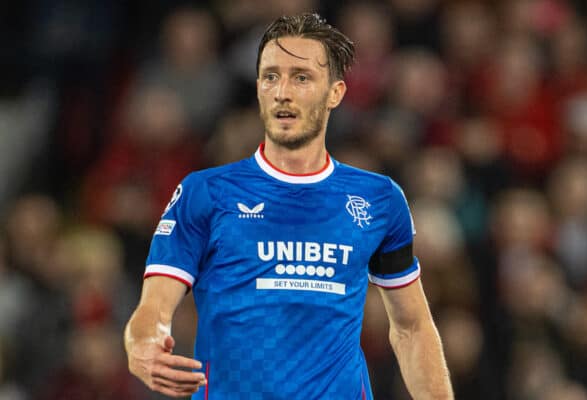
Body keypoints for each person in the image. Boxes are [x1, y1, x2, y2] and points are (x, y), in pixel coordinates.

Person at [124, 13, 454, 399]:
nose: (283, 91)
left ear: (335, 92)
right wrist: (143, 345)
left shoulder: (378, 199)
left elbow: (412, 327)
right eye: (270, 76)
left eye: (301, 77)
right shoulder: (206, 193)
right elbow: (154, 310)